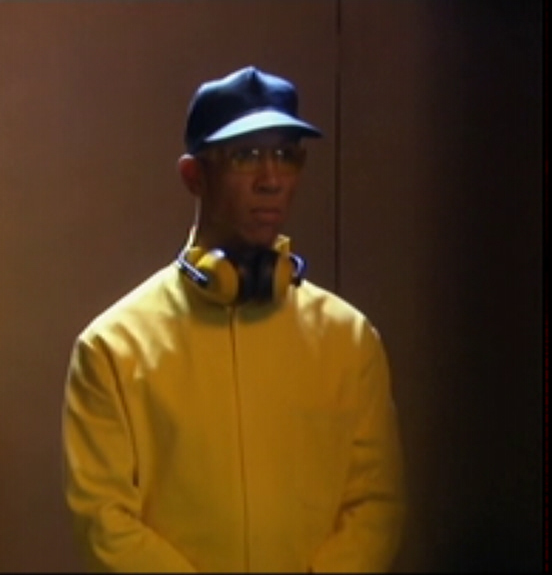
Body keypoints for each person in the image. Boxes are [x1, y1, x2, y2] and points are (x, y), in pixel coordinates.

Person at [61, 66, 405, 572]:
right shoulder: (113, 348)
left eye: (285, 155)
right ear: (194, 176)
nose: (271, 179)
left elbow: (375, 504)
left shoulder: (349, 338)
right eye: (246, 156)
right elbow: (103, 519)